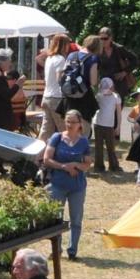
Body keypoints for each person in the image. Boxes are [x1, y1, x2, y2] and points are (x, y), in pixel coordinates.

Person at [42, 110, 91, 258]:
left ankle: (72, 251)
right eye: (68, 121)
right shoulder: (56, 138)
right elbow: (46, 159)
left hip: (77, 187)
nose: (70, 125)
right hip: (57, 185)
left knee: (76, 220)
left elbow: (87, 164)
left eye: (73, 122)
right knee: (55, 220)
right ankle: (56, 250)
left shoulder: (84, 142)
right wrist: (64, 167)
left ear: (80, 124)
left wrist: (76, 165)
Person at [92, 77, 123, 174]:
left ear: (112, 87)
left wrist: (118, 126)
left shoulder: (116, 97)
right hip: (98, 124)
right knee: (98, 147)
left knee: (111, 147)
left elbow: (119, 113)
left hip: (109, 125)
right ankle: (99, 167)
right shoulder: (98, 96)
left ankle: (114, 166)